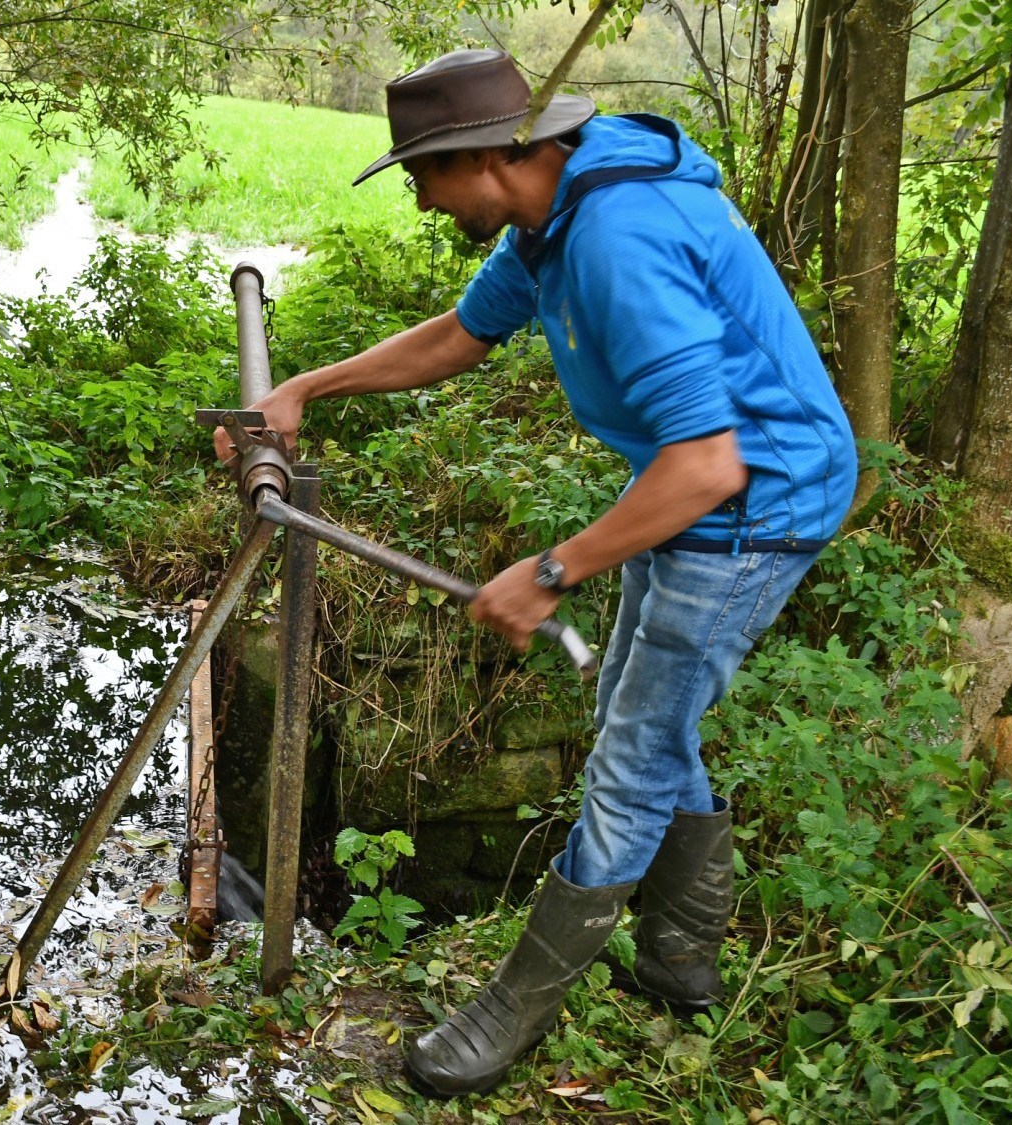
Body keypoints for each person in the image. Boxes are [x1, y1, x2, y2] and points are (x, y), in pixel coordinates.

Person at [211, 49, 858, 1096]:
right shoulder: (550, 213)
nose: (419, 200)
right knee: (632, 712)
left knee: (633, 754)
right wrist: (303, 389)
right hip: (694, 492)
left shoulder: (617, 237)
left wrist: (551, 571)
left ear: (481, 160)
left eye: (420, 175)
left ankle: (512, 1009)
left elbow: (708, 462)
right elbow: (461, 336)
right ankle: (680, 961)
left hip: (751, 506)